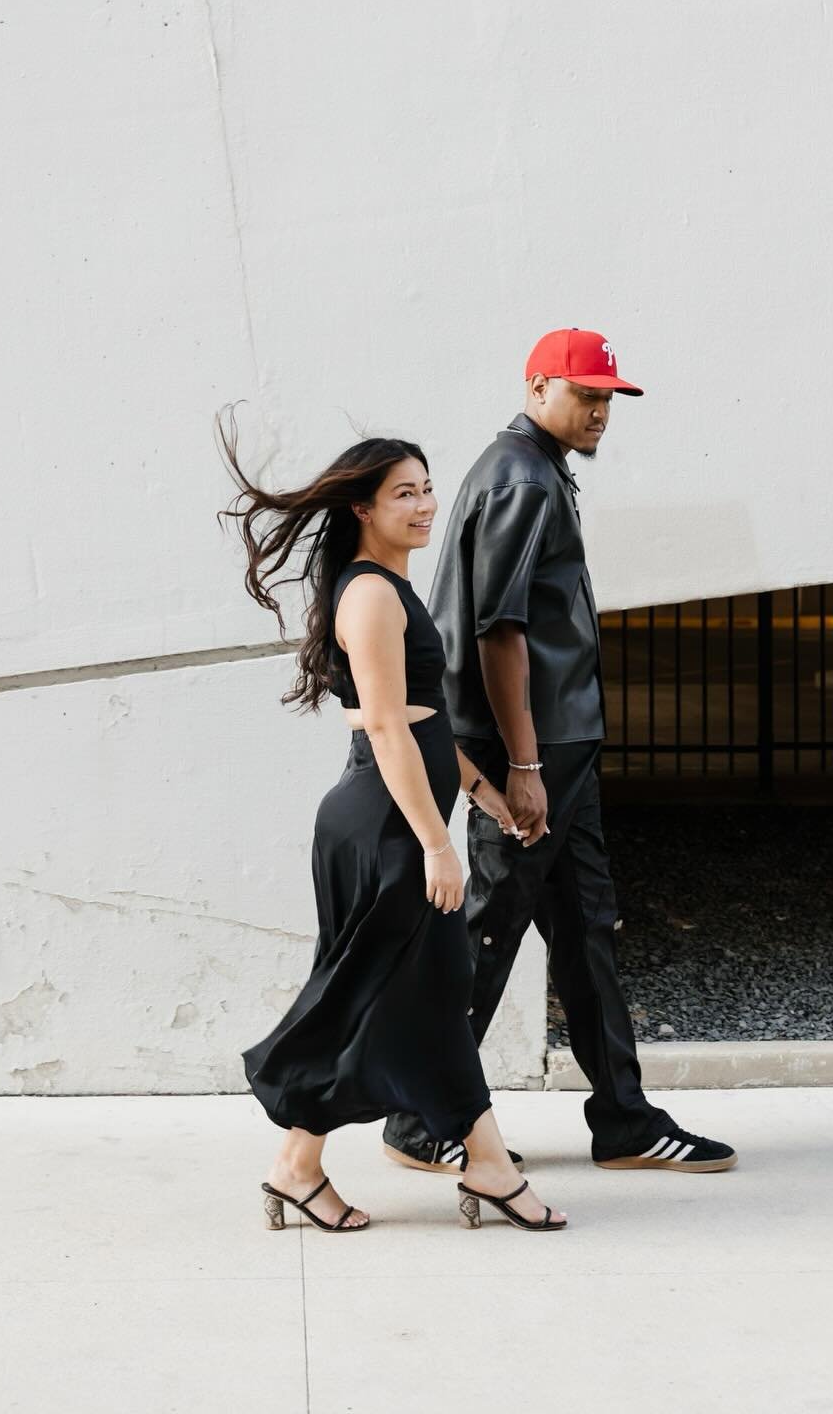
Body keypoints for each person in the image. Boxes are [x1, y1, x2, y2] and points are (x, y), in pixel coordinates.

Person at [382, 330, 736, 1176]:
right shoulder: (522, 479)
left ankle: (623, 1119)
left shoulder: (534, 471)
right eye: (586, 394)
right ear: (538, 387)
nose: (601, 411)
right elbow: (499, 629)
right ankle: (418, 1113)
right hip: (532, 756)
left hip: (557, 748)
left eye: (609, 398)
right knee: (488, 930)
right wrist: (526, 767)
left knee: (587, 931)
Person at [217, 412, 567, 1234]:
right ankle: (482, 1165)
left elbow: (429, 720)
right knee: (417, 991)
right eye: (403, 493)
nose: (424, 505)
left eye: (426, 489)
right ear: (362, 510)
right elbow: (386, 726)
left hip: (396, 818)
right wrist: (437, 844)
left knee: (391, 994)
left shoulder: (392, 589)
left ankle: (301, 1166)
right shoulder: (371, 595)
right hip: (384, 827)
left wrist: (486, 796)